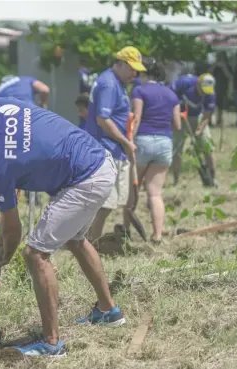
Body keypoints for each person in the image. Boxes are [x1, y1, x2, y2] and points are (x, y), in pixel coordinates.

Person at [0, 97, 125, 358]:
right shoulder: (0, 105)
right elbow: (30, 135)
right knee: (74, 240)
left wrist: (4, 253)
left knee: (35, 254)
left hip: (85, 179)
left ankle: (51, 344)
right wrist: (21, 171)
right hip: (97, 158)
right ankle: (109, 311)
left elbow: (13, 229)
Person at [84, 46, 145, 242]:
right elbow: (103, 119)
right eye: (131, 68)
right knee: (105, 203)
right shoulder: (109, 84)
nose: (134, 74)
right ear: (119, 64)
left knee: (109, 203)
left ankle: (88, 243)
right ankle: (90, 246)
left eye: (136, 70)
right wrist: (125, 141)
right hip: (106, 149)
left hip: (115, 149)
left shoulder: (115, 82)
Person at [128, 60, 181, 243]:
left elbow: (137, 117)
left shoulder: (139, 91)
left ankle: (126, 230)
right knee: (155, 193)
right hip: (164, 143)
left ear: (144, 74)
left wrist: (129, 140)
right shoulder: (172, 94)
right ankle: (157, 235)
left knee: (133, 190)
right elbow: (177, 124)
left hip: (143, 140)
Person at [169, 73, 217, 186]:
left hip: (197, 116)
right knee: (176, 149)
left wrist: (199, 130)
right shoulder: (184, 83)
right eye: (203, 89)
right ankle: (176, 181)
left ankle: (212, 179)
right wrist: (175, 114)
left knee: (207, 145)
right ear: (198, 84)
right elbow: (168, 96)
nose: (205, 92)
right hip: (178, 115)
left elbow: (206, 116)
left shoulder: (210, 94)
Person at [210, 51, 232, 127]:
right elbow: (209, 73)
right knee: (212, 104)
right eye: (219, 57)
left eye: (222, 57)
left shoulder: (228, 66)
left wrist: (223, 67)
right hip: (214, 87)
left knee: (220, 106)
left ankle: (219, 121)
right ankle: (211, 120)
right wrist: (215, 65)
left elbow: (229, 76)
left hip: (223, 88)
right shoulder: (215, 66)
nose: (220, 59)